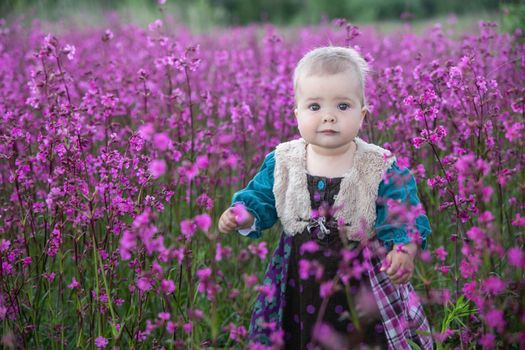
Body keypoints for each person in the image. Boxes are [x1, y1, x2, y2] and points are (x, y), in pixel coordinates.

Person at [218, 46, 433, 350]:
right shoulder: (283, 160)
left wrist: (403, 249)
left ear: (362, 114)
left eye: (343, 106)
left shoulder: (378, 164)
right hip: (298, 278)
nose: (329, 117)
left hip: (361, 281)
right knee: (298, 335)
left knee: (363, 338)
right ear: (297, 114)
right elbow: (261, 198)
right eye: (315, 107)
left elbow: (403, 213)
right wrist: (243, 213)